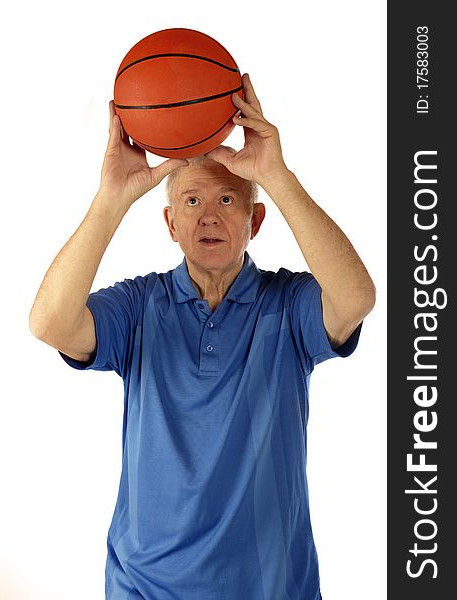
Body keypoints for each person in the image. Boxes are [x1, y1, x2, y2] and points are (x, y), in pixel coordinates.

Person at [29, 73, 375, 600]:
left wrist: (276, 175)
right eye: (191, 202)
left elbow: (356, 300)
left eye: (228, 201)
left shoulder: (288, 304)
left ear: (255, 220)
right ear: (170, 223)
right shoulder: (139, 306)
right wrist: (112, 198)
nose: (208, 216)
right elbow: (49, 323)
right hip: (145, 586)